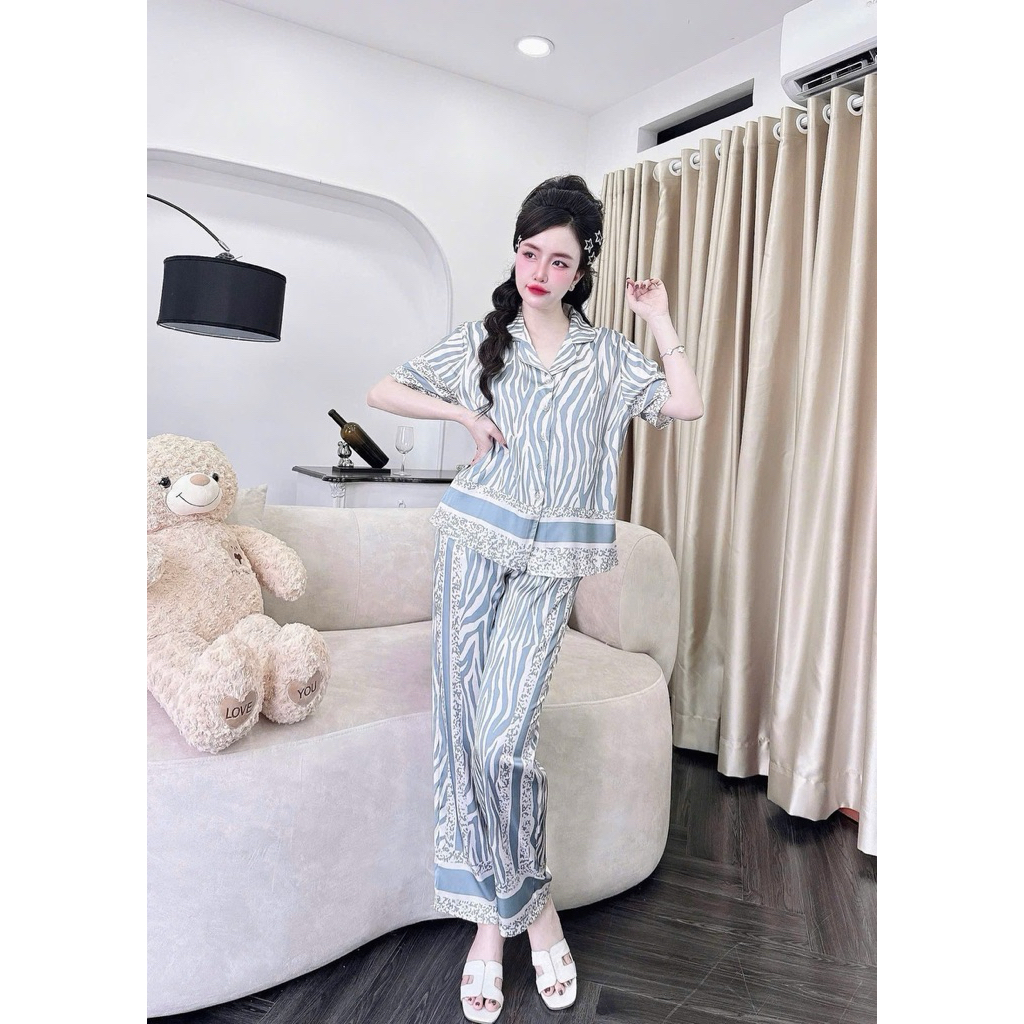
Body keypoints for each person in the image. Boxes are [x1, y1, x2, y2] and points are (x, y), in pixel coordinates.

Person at [366, 174, 702, 1022]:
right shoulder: (486, 341)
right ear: (515, 253)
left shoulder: (608, 356)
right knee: (462, 737)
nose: (540, 272)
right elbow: (383, 390)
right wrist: (463, 419)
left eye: (560, 260)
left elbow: (686, 403)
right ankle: (501, 925)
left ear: (582, 271)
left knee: (501, 738)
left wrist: (659, 318)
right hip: (470, 545)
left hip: (552, 565)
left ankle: (531, 904)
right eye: (529, 253)